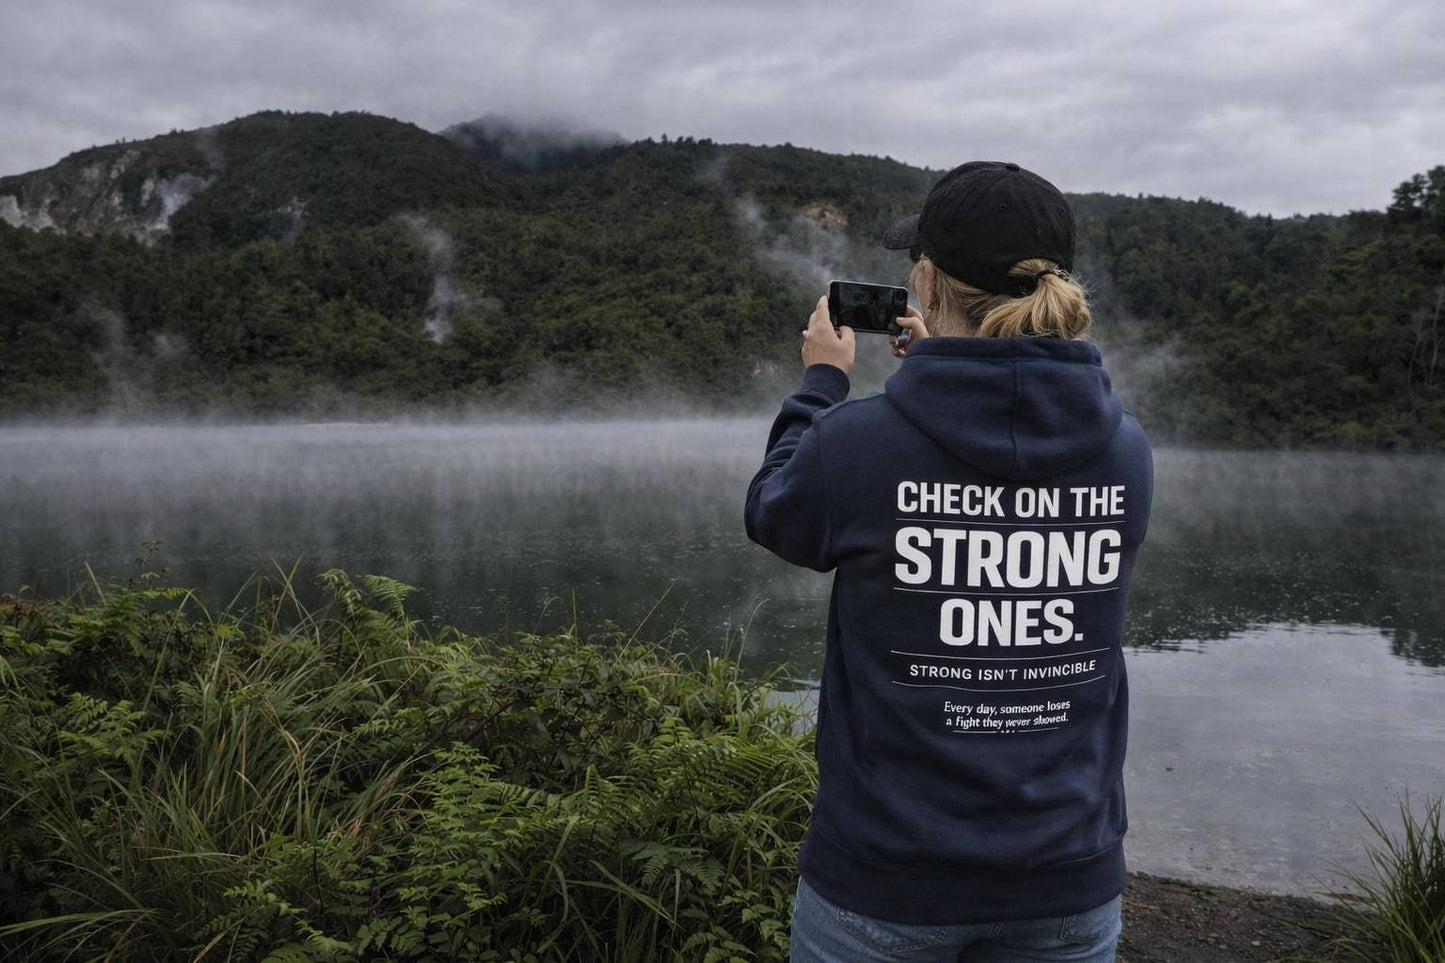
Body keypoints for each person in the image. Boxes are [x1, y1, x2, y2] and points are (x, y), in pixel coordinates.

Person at [744, 161, 1153, 962]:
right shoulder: (1124, 450)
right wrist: (939, 377)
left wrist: (823, 379)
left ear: (924, 279)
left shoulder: (857, 444)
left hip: (883, 882)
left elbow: (775, 511)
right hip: (1067, 879)